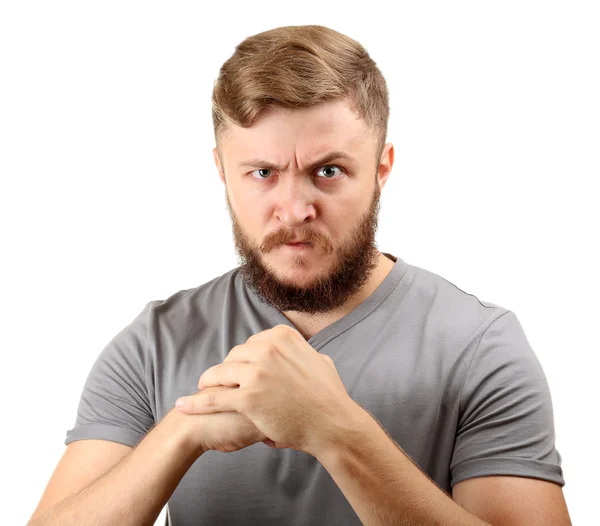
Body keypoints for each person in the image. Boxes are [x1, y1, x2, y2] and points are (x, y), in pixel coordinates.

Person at [28, 24, 571, 526]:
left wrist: (334, 430)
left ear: (382, 168)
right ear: (222, 170)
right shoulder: (155, 342)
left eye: (327, 171)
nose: (293, 208)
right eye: (262, 173)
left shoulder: (480, 346)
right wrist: (185, 428)